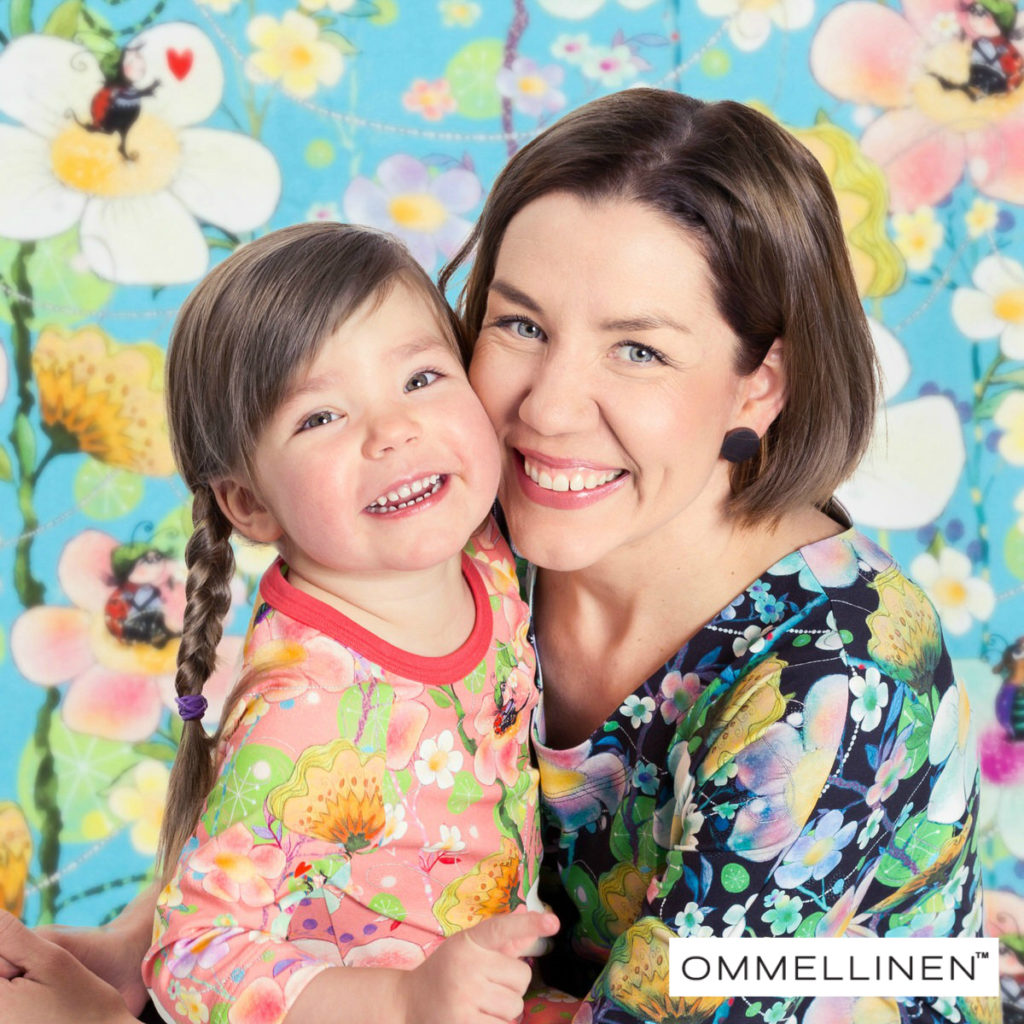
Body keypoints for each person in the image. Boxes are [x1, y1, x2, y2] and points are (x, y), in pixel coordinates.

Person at [0, 89, 990, 1024]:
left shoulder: (837, 693)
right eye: (520, 324)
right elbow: (317, 755)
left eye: (638, 350)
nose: (547, 411)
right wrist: (143, 949)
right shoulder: (473, 522)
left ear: (758, 385)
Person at [145, 222, 558, 1024]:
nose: (392, 430)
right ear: (249, 503)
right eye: (320, 417)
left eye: (421, 377)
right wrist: (399, 999)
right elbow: (188, 956)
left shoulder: (482, 543)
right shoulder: (302, 712)